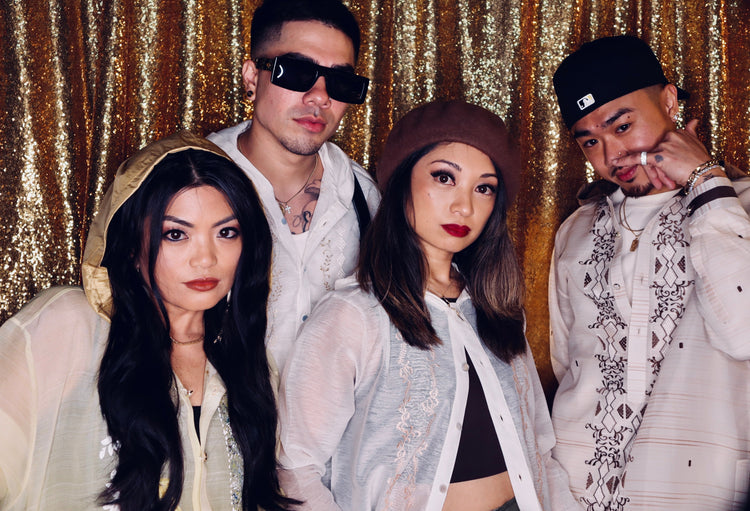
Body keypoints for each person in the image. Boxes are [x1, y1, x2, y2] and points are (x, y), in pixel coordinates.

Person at [277, 100, 579, 511]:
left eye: (484, 187)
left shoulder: (497, 308)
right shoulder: (353, 316)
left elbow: (540, 449)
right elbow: (297, 468)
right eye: (444, 177)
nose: (464, 206)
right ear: (402, 183)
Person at [0, 132, 295, 510]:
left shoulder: (251, 363)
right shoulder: (70, 326)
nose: (205, 259)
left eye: (226, 232)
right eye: (175, 234)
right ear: (130, 246)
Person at [549, 35, 750, 510]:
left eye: (622, 125)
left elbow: (744, 331)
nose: (611, 154)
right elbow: (566, 363)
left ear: (668, 100)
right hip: (576, 494)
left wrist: (705, 181)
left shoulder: (738, 206)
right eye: (590, 141)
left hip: (703, 493)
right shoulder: (575, 231)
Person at [208, 0, 379, 370]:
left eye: (340, 81)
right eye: (297, 72)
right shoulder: (188, 182)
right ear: (252, 77)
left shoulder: (365, 198)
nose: (320, 97)